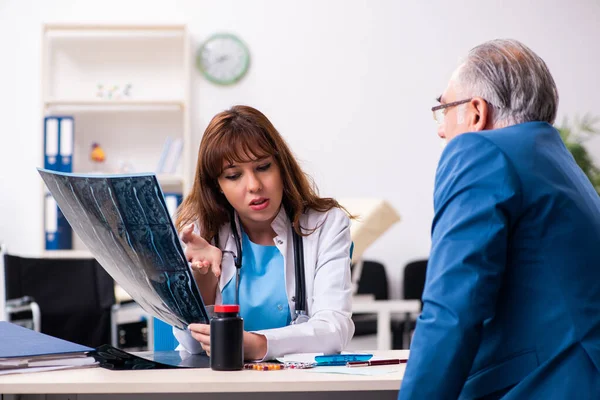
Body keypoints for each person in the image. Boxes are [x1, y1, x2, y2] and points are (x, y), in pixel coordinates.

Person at [399, 39, 600, 399]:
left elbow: (452, 309)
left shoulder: (480, 151)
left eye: (443, 109)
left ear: (476, 112)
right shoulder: (559, 163)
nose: (441, 130)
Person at [172, 105, 355, 361]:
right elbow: (192, 346)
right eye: (233, 175)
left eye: (263, 166)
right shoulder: (199, 232)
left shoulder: (326, 224)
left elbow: (334, 330)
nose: (254, 186)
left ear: (282, 166)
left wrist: (257, 344)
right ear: (218, 186)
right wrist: (202, 276)